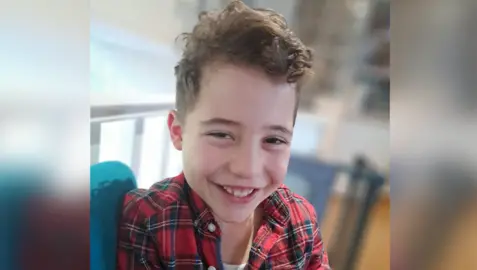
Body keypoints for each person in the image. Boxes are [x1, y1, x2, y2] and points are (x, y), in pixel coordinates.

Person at [117, 1, 330, 269]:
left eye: (273, 140)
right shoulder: (149, 220)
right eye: (222, 134)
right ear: (178, 131)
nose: (247, 168)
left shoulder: (301, 221)